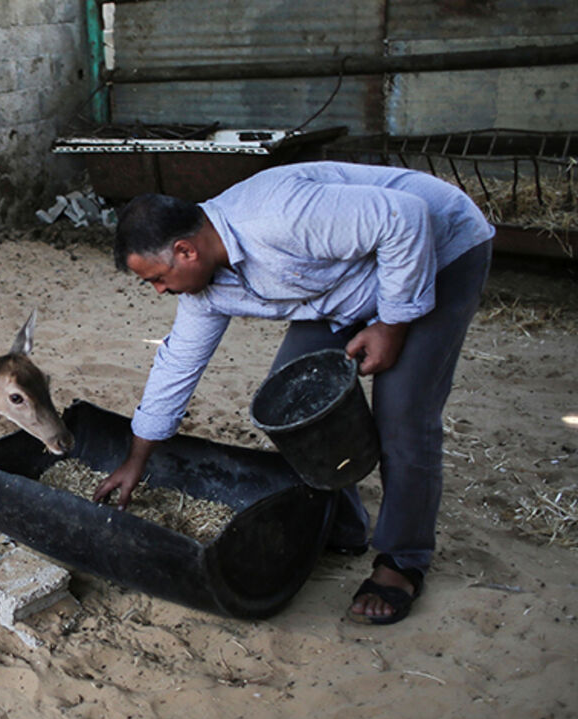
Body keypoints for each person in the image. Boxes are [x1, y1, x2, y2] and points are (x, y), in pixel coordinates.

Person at [94, 161, 494, 625]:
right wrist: (136, 458)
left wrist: (392, 324)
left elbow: (404, 217)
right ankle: (342, 527)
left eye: (156, 279)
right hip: (342, 281)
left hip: (439, 246)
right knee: (291, 403)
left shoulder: (276, 218)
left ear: (185, 251)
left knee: (402, 414)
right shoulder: (206, 287)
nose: (160, 291)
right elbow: (177, 365)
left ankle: (401, 561)